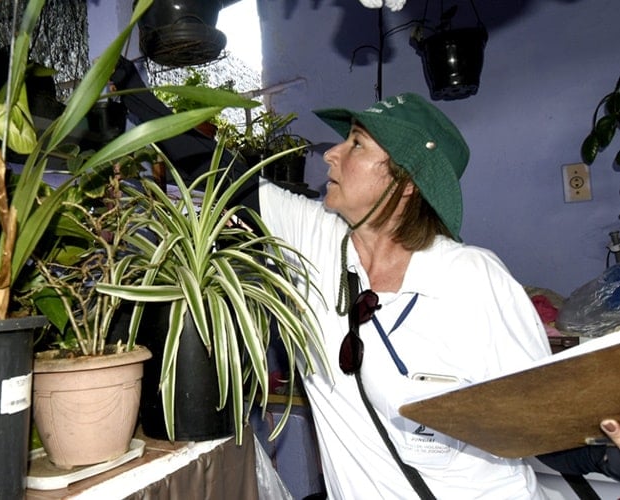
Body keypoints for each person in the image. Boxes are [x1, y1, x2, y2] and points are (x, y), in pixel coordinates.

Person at [257, 92, 619, 498]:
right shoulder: (313, 235)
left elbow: (538, 422)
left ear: (405, 181)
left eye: (356, 142)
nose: (330, 154)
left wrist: (608, 456)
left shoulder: (471, 280)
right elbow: (210, 175)